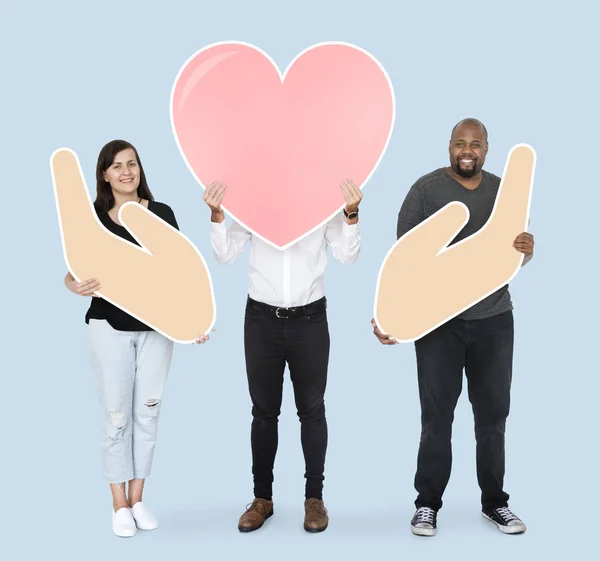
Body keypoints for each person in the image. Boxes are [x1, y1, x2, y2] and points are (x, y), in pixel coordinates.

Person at [373, 119, 534, 536]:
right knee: (436, 418)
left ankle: (495, 503)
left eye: (476, 144)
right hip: (436, 324)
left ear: (486, 149)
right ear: (449, 147)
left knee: (493, 416)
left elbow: (510, 254)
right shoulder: (426, 190)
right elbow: (402, 260)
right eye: (461, 143)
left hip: (495, 320)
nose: (468, 150)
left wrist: (525, 250)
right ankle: (427, 504)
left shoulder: (504, 190)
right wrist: (392, 313)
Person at [64, 139, 210, 537]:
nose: (126, 172)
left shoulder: (161, 214)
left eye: (132, 164)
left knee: (148, 412)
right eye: (117, 166)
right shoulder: (93, 217)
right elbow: (74, 269)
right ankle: (118, 503)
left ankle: (139, 497)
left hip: (157, 330)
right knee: (115, 416)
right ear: (105, 174)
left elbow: (181, 274)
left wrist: (192, 320)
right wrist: (72, 284)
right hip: (108, 328)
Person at [203, 179, 362, 533]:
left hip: (310, 320)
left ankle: (314, 500)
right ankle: (262, 499)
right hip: (261, 320)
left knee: (312, 410)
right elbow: (226, 254)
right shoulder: (254, 201)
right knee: (263, 412)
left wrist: (351, 214)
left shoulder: (323, 203)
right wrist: (216, 215)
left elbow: (348, 256)